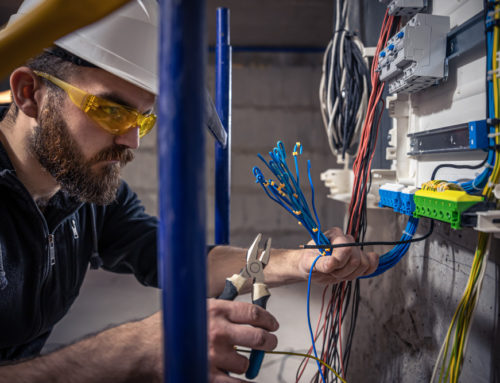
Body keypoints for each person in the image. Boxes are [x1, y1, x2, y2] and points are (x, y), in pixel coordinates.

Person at [0, 1, 378, 382]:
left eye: (143, 119)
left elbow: (173, 258)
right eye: (112, 111)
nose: (131, 140)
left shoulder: (84, 195)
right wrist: (133, 348)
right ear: (29, 92)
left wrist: (299, 262)